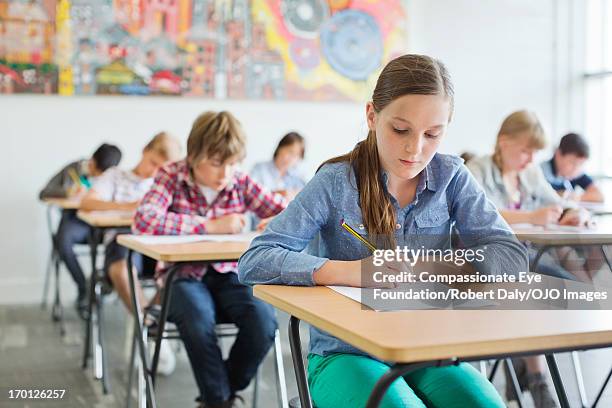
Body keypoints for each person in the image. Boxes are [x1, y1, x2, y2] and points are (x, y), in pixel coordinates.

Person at [238, 54, 528, 408]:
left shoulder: (452, 177)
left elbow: (512, 256)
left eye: (433, 134)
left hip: (426, 347)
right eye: (400, 130)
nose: (415, 148)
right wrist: (350, 272)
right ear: (372, 116)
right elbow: (255, 260)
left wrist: (430, 267)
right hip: (345, 354)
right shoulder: (335, 183)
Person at [132, 111, 287, 408]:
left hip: (232, 273)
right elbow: (144, 219)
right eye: (216, 164)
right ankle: (221, 400)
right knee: (198, 320)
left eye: (232, 164)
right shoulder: (171, 175)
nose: (225, 174)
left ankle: (219, 397)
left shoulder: (239, 181)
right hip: (182, 277)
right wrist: (207, 225)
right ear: (193, 156)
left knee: (264, 323)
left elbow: (288, 210)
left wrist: (279, 221)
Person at [467, 110, 595, 407]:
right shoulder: (477, 170)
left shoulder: (531, 174)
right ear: (503, 142)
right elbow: (477, 216)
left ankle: (523, 367)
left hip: (527, 258)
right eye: (525, 150)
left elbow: (559, 203)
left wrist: (576, 213)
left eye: (535, 152)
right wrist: (531, 216)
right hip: (486, 263)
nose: (529, 159)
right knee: (531, 292)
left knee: (572, 293)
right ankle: (536, 378)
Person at [39, 143, 122, 318]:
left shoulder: (115, 178)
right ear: (91, 161)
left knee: (120, 242)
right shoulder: (73, 170)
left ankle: (101, 286)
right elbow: (44, 193)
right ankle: (84, 287)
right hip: (75, 220)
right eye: (96, 170)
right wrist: (69, 192)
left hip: (101, 223)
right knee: (63, 242)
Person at [541, 132, 604, 202]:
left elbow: (599, 195)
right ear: (558, 154)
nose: (576, 169)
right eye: (572, 163)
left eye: (581, 164)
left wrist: (576, 197)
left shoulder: (576, 173)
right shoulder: (540, 173)